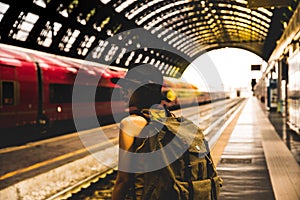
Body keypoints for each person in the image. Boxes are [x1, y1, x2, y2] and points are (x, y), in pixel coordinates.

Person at [111, 64, 166, 200]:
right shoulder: (169, 120)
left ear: (141, 92)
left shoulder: (130, 123)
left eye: (128, 88)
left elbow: (123, 180)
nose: (123, 92)